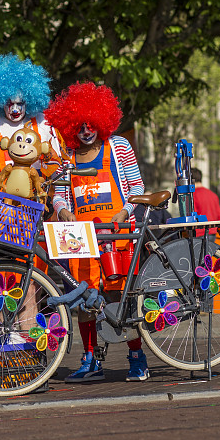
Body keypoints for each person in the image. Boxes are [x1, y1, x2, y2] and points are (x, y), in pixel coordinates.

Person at [46, 82, 147, 382]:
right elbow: (60, 193)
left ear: (102, 121)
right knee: (84, 299)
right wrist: (62, 209)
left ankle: (136, 356)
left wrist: (124, 212)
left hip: (116, 235)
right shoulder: (67, 158)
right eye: (79, 126)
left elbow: (138, 188)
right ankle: (90, 360)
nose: (86, 131)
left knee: (120, 298)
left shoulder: (119, 147)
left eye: (91, 124)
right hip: (81, 237)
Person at [0, 54, 61, 189]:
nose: (15, 110)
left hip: (35, 205)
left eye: (20, 103)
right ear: (0, 102)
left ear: (29, 101)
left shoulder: (43, 122)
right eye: (9, 103)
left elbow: (57, 168)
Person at [192, 168, 220, 239]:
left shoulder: (193, 195)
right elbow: (219, 216)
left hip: (199, 232)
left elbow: (193, 216)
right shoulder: (213, 195)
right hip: (212, 232)